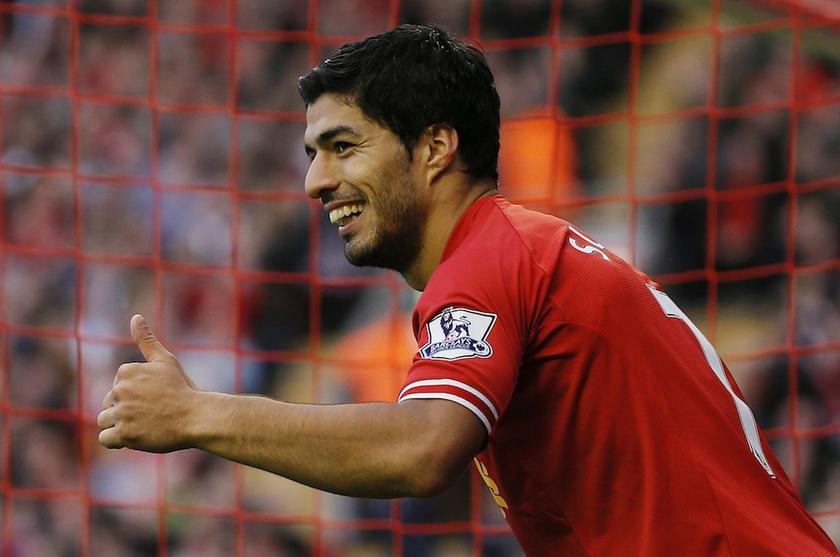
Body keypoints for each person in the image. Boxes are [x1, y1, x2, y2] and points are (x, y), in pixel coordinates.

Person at [97, 24, 839, 556]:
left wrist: (198, 413)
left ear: (434, 147)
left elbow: (422, 451)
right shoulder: (519, 253)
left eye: (343, 147)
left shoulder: (492, 258)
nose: (316, 181)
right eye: (312, 154)